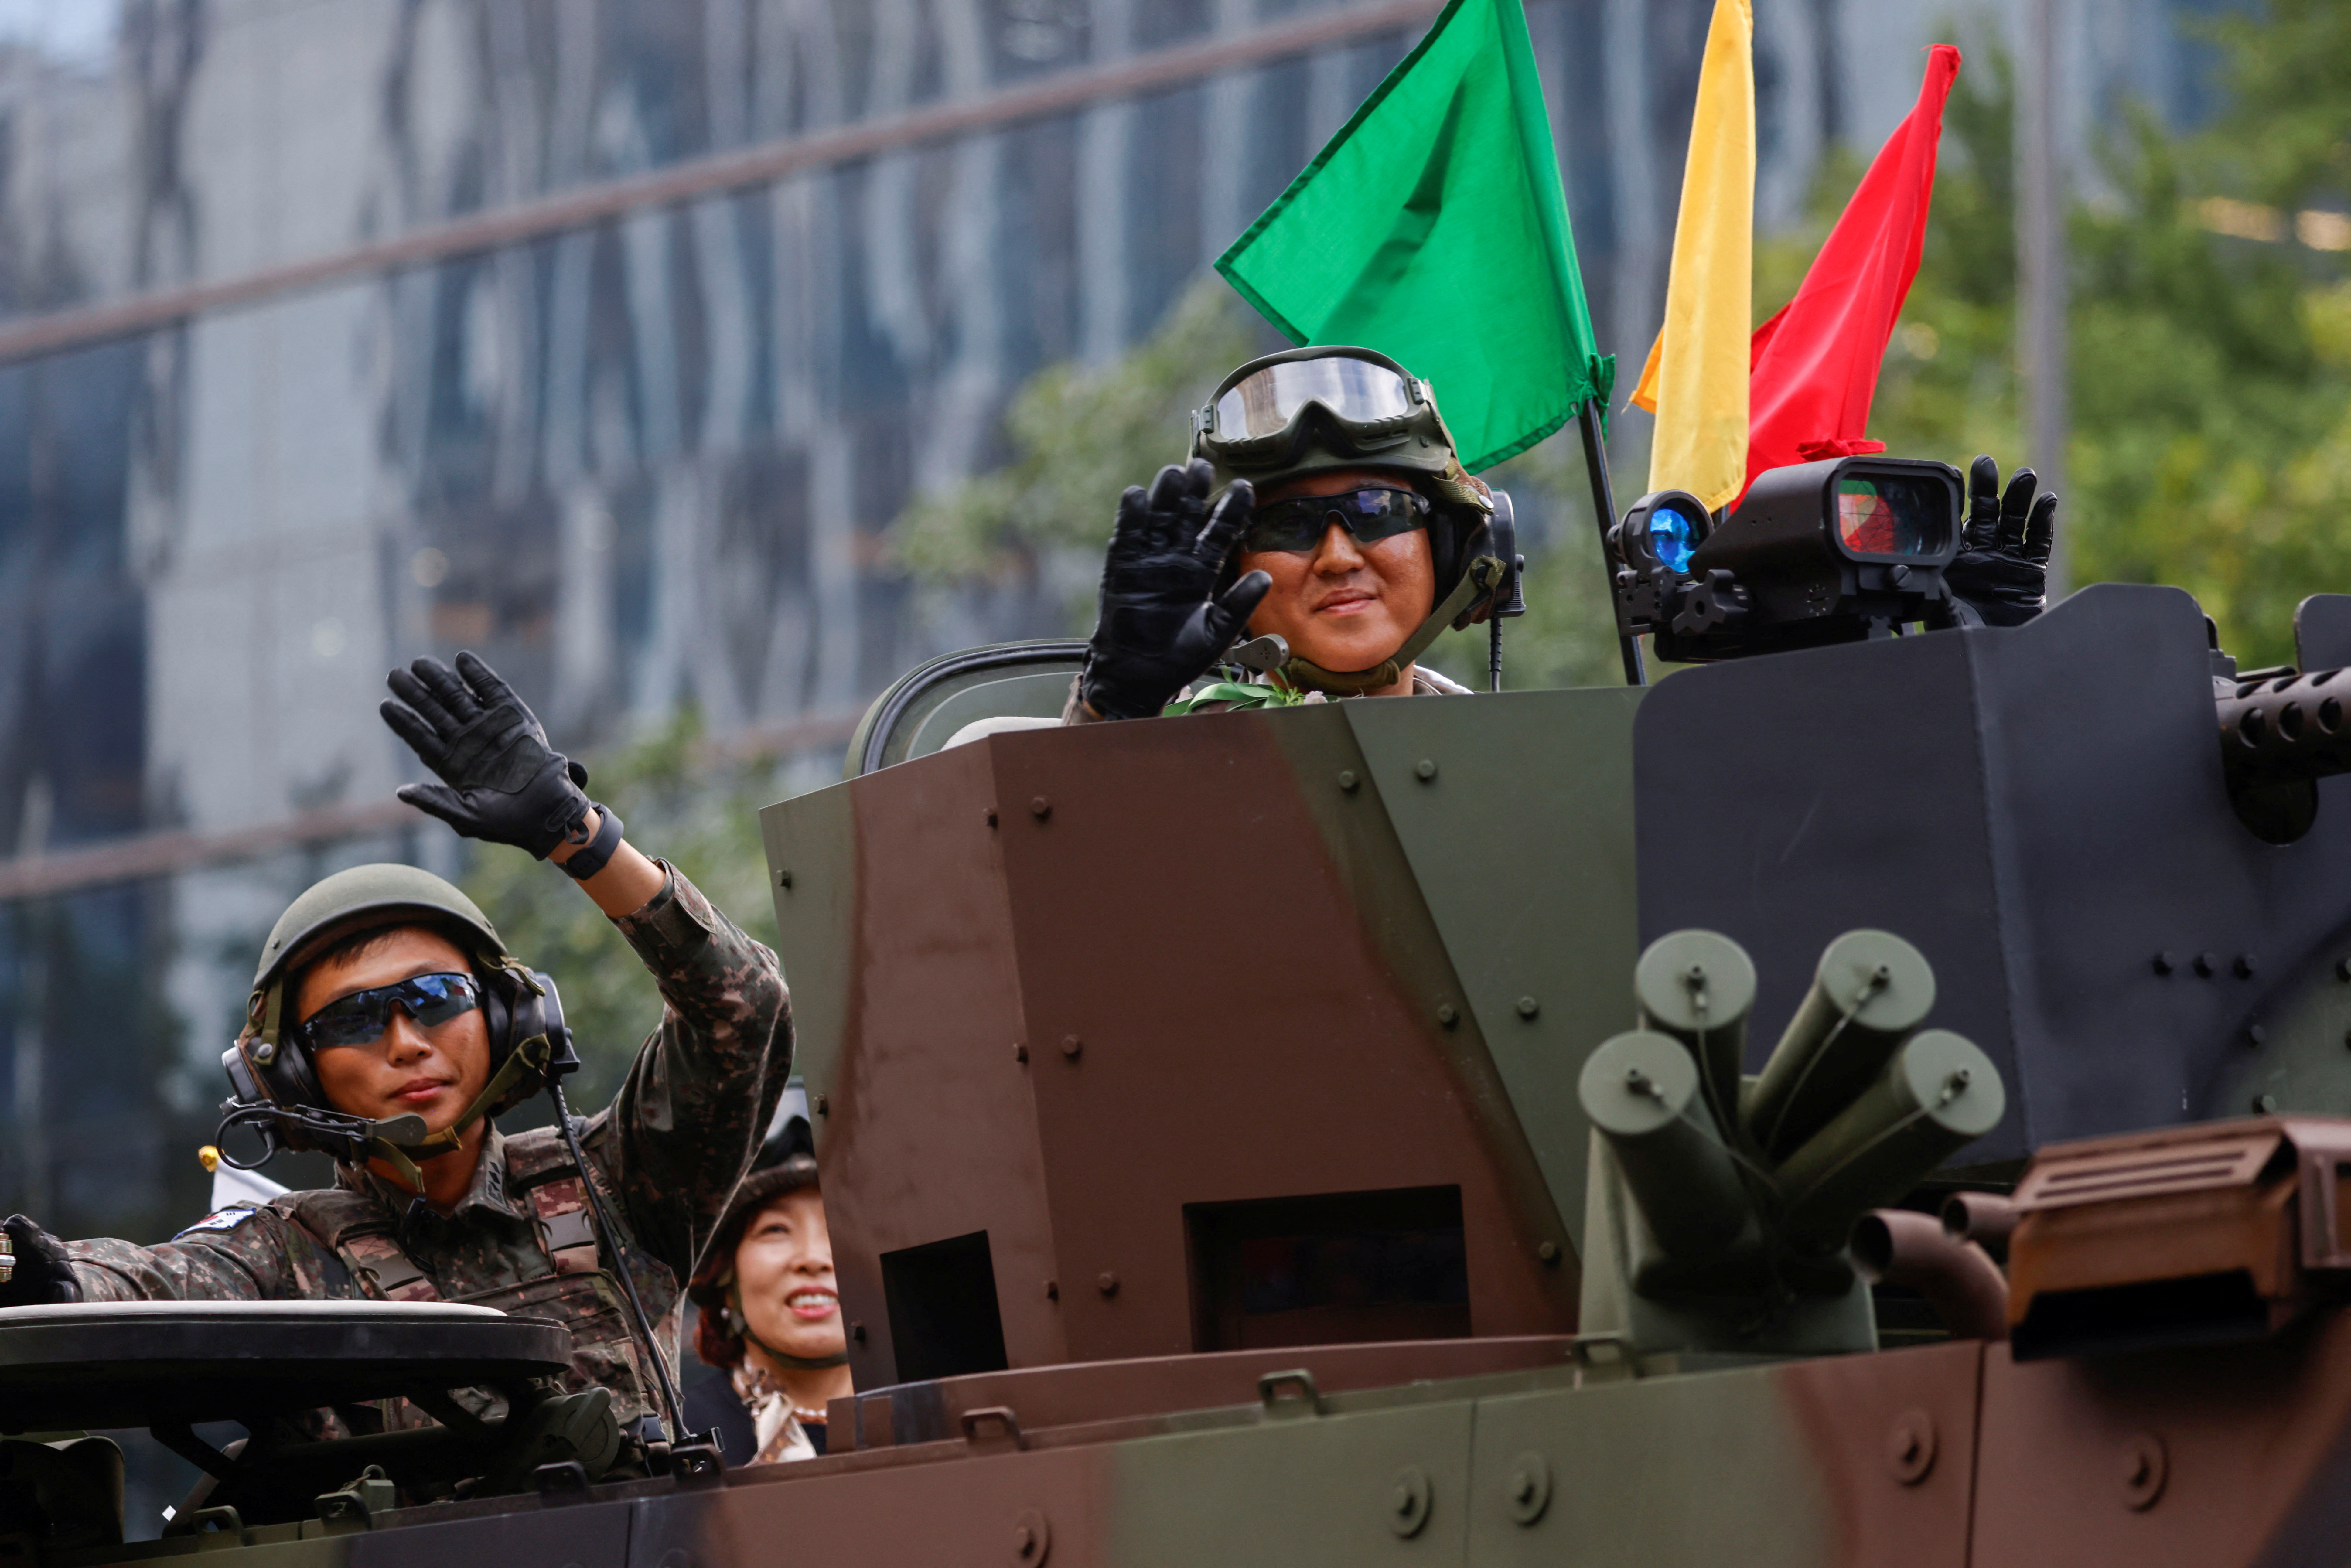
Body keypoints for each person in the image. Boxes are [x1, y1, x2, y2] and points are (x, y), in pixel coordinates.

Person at [0, 653, 791, 1452]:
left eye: (436, 999)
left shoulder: (618, 1182)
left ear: (511, 1017)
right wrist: (38, 1276)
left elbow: (744, 1007)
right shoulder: (282, 1254)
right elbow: (143, 1283)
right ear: (291, 1075)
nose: (406, 1043)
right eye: (350, 1022)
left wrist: (576, 834)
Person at [1064, 345, 2059, 722]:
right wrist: (1113, 716)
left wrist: (1981, 673)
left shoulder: (1526, 769)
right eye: (1287, 525)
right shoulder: (1176, 751)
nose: (1337, 556)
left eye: (1375, 514)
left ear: (1461, 550)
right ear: (1226, 569)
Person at [680, 1084, 850, 1464]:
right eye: (775, 1230)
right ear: (723, 1278)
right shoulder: (677, 1441)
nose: (813, 1258)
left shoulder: (951, 1416)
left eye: (840, 1226)